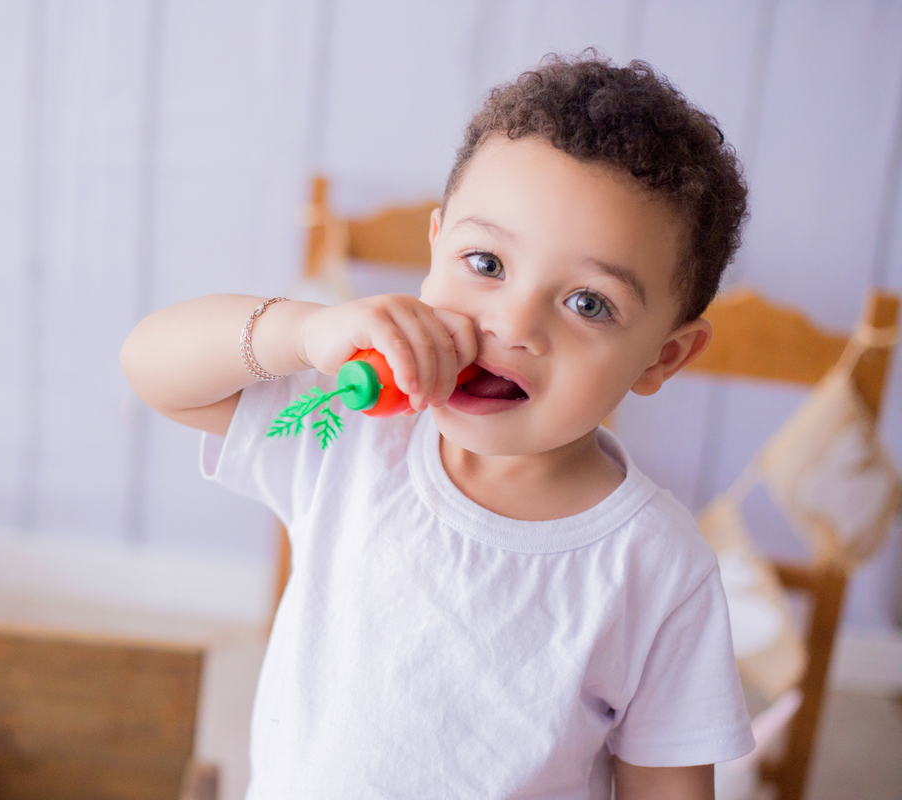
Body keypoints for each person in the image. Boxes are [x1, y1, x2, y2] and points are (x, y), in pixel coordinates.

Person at [122, 53, 754, 799]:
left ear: (663, 357)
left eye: (588, 303)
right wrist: (303, 331)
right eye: (485, 262)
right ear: (436, 245)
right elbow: (151, 365)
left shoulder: (658, 567)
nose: (512, 325)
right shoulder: (348, 432)